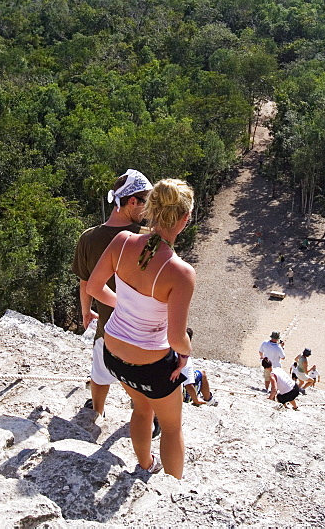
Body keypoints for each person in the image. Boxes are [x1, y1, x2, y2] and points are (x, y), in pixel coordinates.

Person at [87, 178, 196, 479]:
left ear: (150, 208)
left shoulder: (121, 242)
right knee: (172, 427)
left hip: (113, 352)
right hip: (151, 363)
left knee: (141, 407)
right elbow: (176, 338)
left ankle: (145, 465)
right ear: (184, 219)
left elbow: (95, 287)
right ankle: (173, 489)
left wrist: (124, 305)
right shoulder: (181, 272)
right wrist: (186, 354)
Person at [73, 168, 151, 417]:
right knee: (142, 376)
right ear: (131, 201)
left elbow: (85, 282)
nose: (147, 211)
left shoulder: (88, 238)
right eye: (145, 203)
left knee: (100, 371)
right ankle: (148, 417)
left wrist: (87, 312)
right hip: (142, 326)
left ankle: (97, 411)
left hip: (107, 324)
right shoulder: (147, 238)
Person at [181, 328, 217, 406]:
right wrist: (195, 399)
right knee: (202, 373)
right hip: (181, 393)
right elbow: (189, 384)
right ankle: (209, 400)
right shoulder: (185, 357)